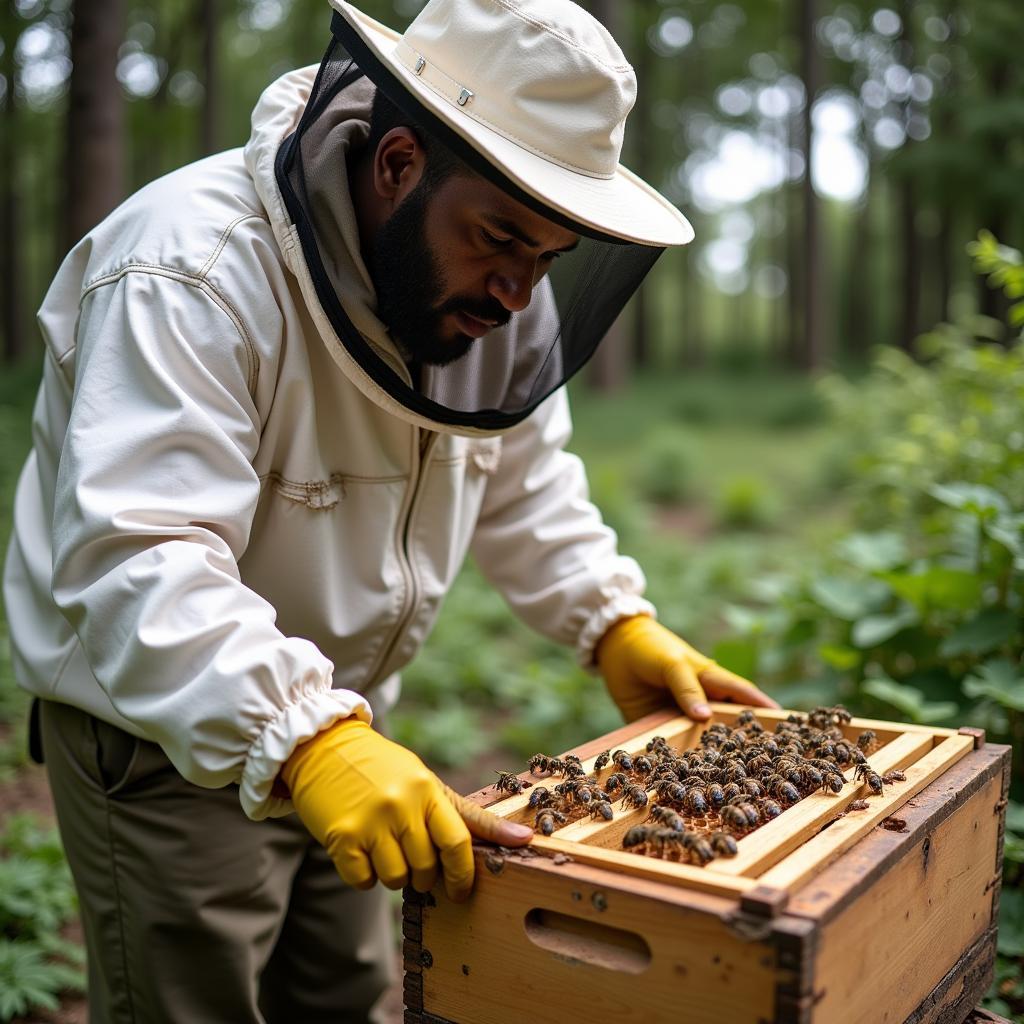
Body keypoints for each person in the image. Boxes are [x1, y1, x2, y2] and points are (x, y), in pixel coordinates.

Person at [3, 0, 779, 1020]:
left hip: (355, 720)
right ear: (399, 162)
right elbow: (138, 556)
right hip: (159, 730)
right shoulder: (185, 269)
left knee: (352, 992)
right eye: (500, 237)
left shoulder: (495, 290)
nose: (516, 291)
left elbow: (521, 473)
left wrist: (609, 620)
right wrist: (302, 737)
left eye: (546, 257)